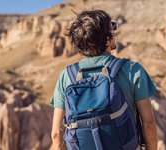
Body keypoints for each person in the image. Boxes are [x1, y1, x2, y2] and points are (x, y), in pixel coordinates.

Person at [50, 10, 157, 150]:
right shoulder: (132, 70)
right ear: (107, 39)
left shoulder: (66, 76)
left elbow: (57, 134)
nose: (114, 32)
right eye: (112, 27)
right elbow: (148, 124)